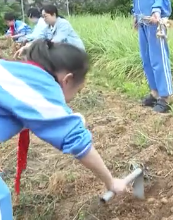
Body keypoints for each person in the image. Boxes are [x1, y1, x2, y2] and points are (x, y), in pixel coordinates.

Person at [0, 40, 127, 219]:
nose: (72, 98)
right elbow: (77, 142)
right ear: (67, 80)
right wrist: (110, 181)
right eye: (78, 91)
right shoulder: (39, 89)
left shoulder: (20, 73)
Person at [118, 0, 173, 113]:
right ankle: (155, 92)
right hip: (142, 19)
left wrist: (157, 10)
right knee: (146, 58)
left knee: (159, 58)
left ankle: (165, 97)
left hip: (155, 20)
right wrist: (135, 13)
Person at [15, 5, 85, 57]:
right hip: (64, 52)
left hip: (75, 52)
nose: (44, 19)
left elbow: (56, 41)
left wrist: (38, 46)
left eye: (45, 16)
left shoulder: (63, 24)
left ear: (54, 14)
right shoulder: (47, 27)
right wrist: (26, 47)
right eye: (42, 17)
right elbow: (38, 38)